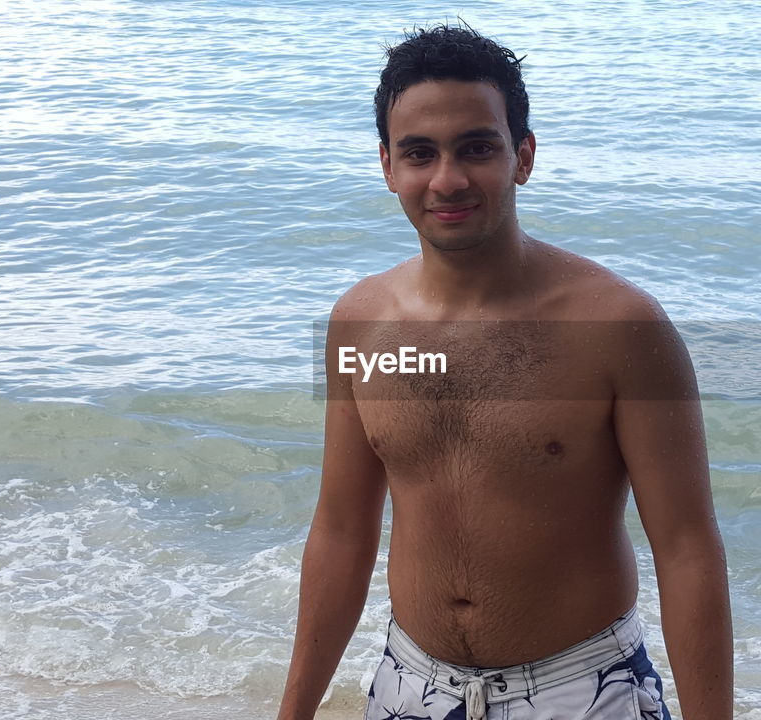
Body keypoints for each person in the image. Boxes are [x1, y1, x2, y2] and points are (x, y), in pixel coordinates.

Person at [276, 24, 732, 720]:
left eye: (477, 148)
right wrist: (294, 711)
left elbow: (687, 550)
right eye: (420, 153)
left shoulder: (616, 326)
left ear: (523, 156)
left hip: (583, 689)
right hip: (411, 685)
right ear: (387, 165)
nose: (448, 179)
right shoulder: (362, 324)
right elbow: (342, 531)